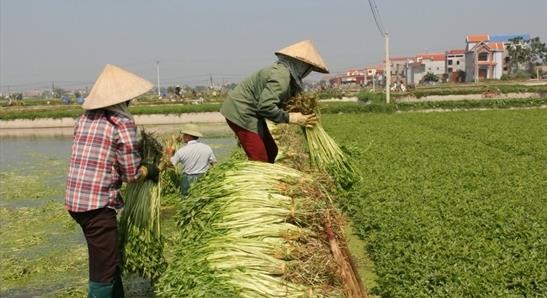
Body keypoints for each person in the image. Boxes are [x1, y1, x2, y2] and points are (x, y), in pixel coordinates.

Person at [65, 64, 158, 298]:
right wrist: (149, 170)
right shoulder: (122, 123)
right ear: (123, 100)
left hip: (76, 202)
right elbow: (131, 175)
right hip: (97, 205)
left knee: (107, 259)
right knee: (103, 271)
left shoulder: (85, 118)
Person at [220, 40, 329, 163]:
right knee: (259, 157)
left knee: (272, 151)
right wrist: (293, 118)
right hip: (241, 112)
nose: (307, 72)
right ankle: (258, 180)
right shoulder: (281, 76)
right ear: (301, 65)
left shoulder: (285, 74)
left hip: (254, 112)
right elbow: (266, 107)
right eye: (308, 68)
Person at [167, 124, 216, 197]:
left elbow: (170, 164)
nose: (183, 137)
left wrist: (170, 154)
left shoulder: (182, 151)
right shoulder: (207, 148)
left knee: (186, 200)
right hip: (203, 178)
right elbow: (214, 163)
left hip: (188, 180)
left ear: (188, 136)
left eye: (184, 135)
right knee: (202, 198)